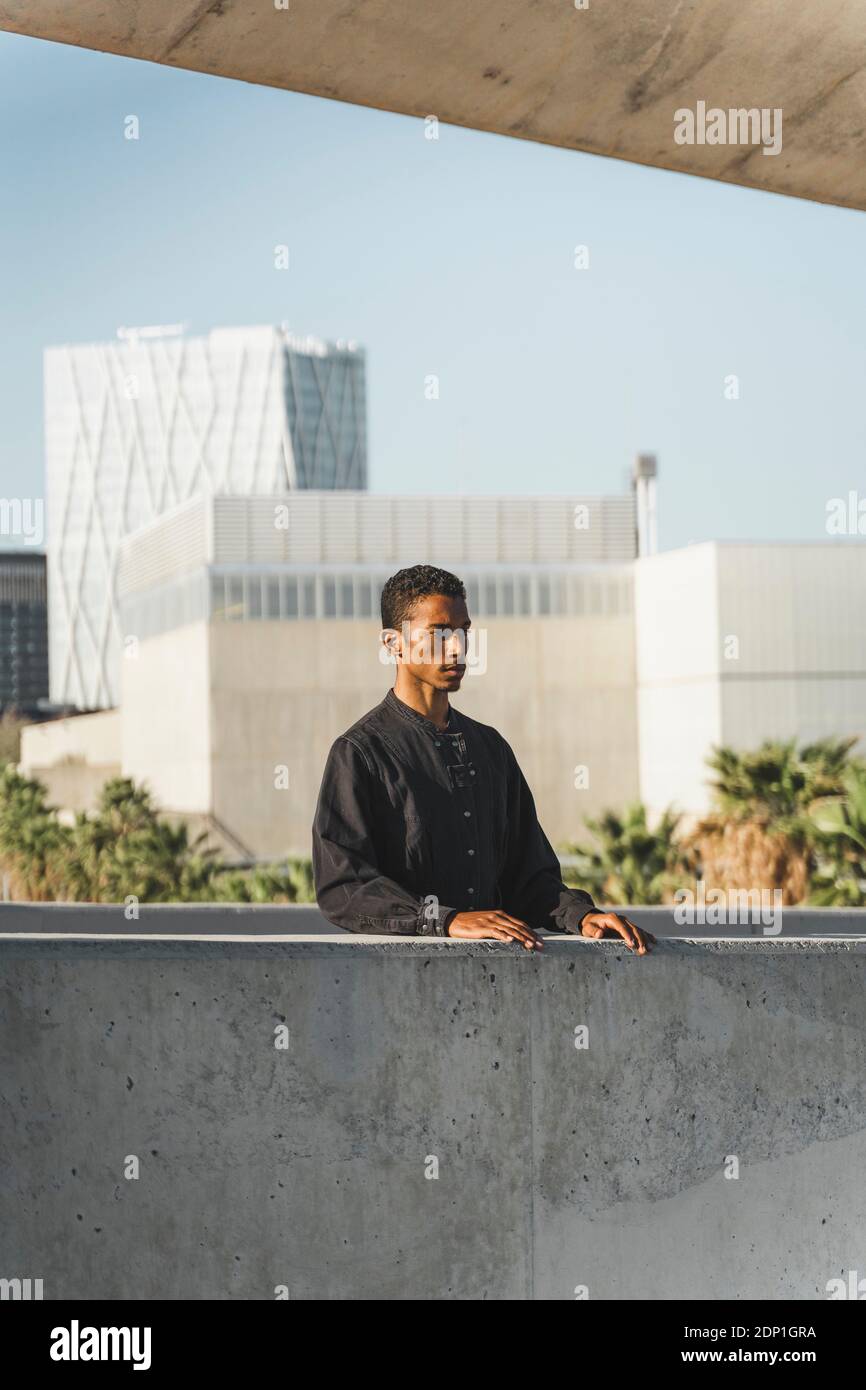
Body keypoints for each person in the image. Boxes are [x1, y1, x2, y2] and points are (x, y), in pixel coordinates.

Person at [312, 564, 653, 954]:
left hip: (498, 985)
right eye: (439, 634)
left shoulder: (490, 749)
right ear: (393, 643)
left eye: (463, 632)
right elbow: (344, 888)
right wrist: (446, 919)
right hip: (397, 987)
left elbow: (529, 879)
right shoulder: (359, 753)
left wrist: (580, 915)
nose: (456, 647)